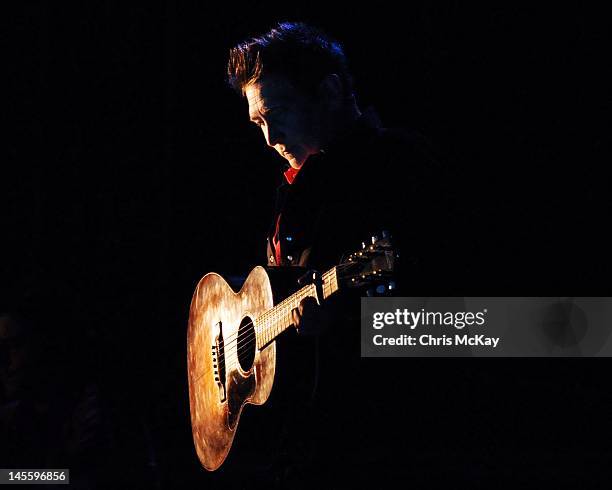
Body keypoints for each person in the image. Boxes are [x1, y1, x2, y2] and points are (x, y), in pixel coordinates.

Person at [226, 22, 469, 485]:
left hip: (384, 446)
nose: (270, 137)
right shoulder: (293, 191)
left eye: (279, 112)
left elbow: (457, 316)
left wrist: (350, 323)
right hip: (301, 447)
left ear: (331, 92)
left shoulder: (399, 163)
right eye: (258, 121)